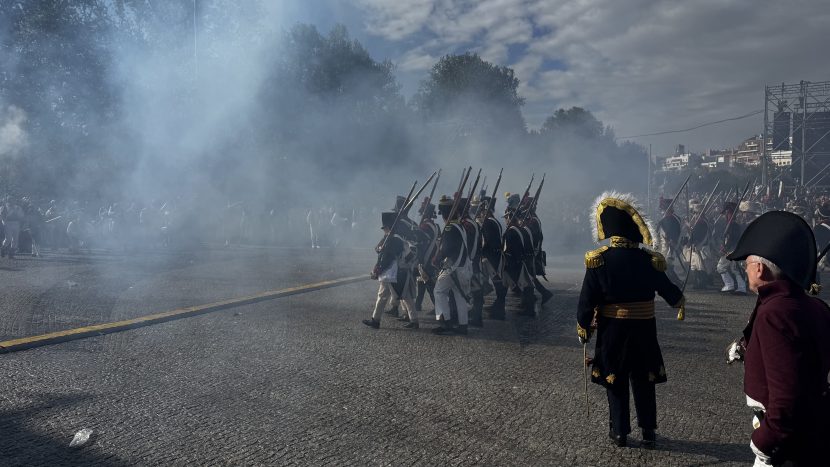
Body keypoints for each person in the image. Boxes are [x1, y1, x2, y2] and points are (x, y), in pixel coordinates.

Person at [576, 192, 685, 449]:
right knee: (644, 379)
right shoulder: (649, 260)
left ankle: (620, 432)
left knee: (616, 379)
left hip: (613, 331)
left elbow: (586, 300)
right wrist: (679, 301)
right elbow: (668, 290)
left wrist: (583, 327)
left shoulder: (598, 261)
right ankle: (648, 430)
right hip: (644, 329)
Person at [725, 211, 830, 466]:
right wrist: (747, 348)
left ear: (760, 268)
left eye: (747, 263)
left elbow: (786, 395)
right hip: (815, 426)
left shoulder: (774, 313)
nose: (746, 268)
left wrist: (766, 439)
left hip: (787, 440)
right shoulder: (813, 305)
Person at [363, 211, 418, 329]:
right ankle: (413, 320)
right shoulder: (391, 238)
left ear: (388, 227)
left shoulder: (393, 240)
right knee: (404, 296)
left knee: (384, 296)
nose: (383, 230)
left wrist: (377, 271)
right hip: (395, 272)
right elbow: (379, 250)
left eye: (384, 228)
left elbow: (387, 258)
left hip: (392, 272)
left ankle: (376, 320)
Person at [432, 194, 471, 335]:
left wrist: (438, 258)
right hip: (462, 266)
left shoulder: (449, 228)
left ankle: (445, 322)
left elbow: (447, 249)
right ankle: (463, 325)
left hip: (452, 267)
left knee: (438, 291)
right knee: (459, 296)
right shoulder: (459, 225)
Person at [714, 201, 746, 294]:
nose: (725, 215)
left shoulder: (733, 224)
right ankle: (740, 287)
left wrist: (725, 248)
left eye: (726, 213)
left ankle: (730, 285)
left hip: (732, 249)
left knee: (720, 267)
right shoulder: (732, 224)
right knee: (735, 269)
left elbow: (732, 239)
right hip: (733, 249)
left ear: (729, 213)